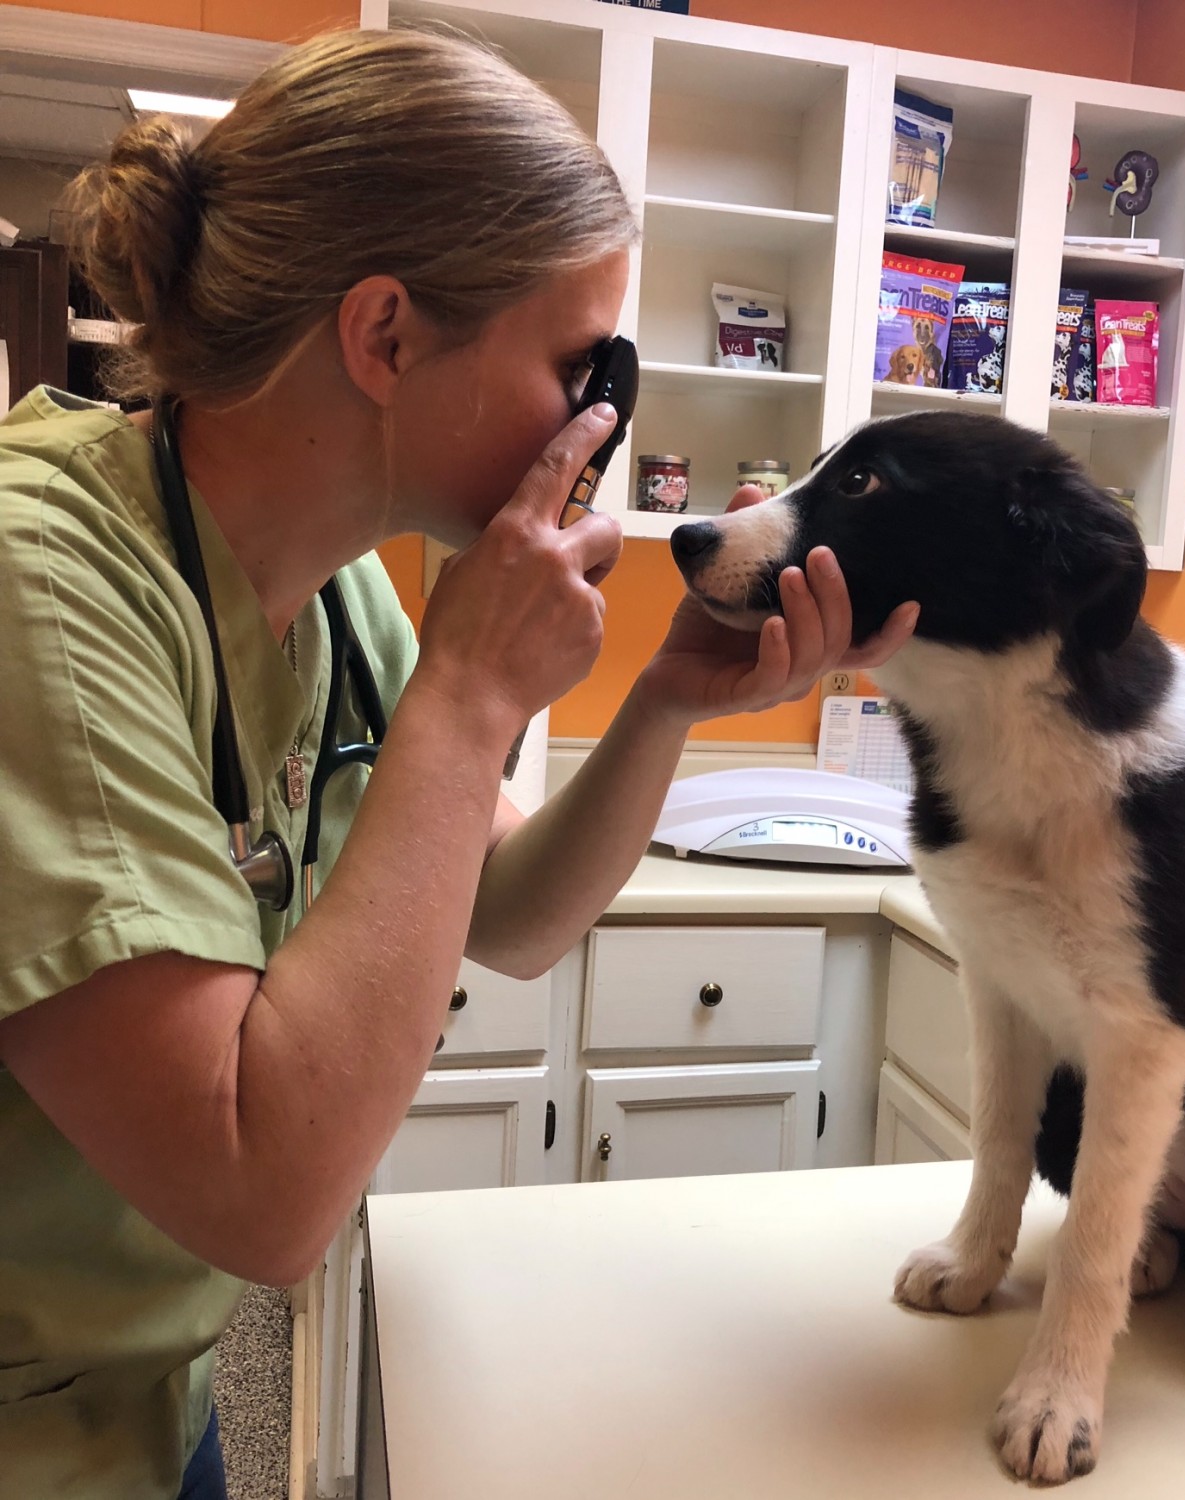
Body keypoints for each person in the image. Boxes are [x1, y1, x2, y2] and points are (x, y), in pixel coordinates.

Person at [0, 27, 917, 1500]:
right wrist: (470, 691)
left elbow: (517, 913)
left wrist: (665, 703)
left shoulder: (337, 586)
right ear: (384, 337)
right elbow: (263, 1193)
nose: (594, 423)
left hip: (145, 1392)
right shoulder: (38, 586)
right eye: (577, 366)